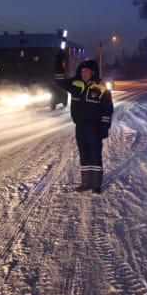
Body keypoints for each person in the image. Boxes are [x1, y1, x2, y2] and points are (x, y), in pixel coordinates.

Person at [54, 51, 113, 194]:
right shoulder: (75, 85)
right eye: (82, 71)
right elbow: (60, 80)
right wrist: (58, 63)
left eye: (87, 71)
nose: (84, 73)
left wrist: (104, 128)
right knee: (84, 154)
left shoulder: (101, 89)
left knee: (95, 154)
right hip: (80, 126)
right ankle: (86, 182)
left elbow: (107, 110)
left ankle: (96, 184)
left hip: (95, 127)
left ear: (93, 73)